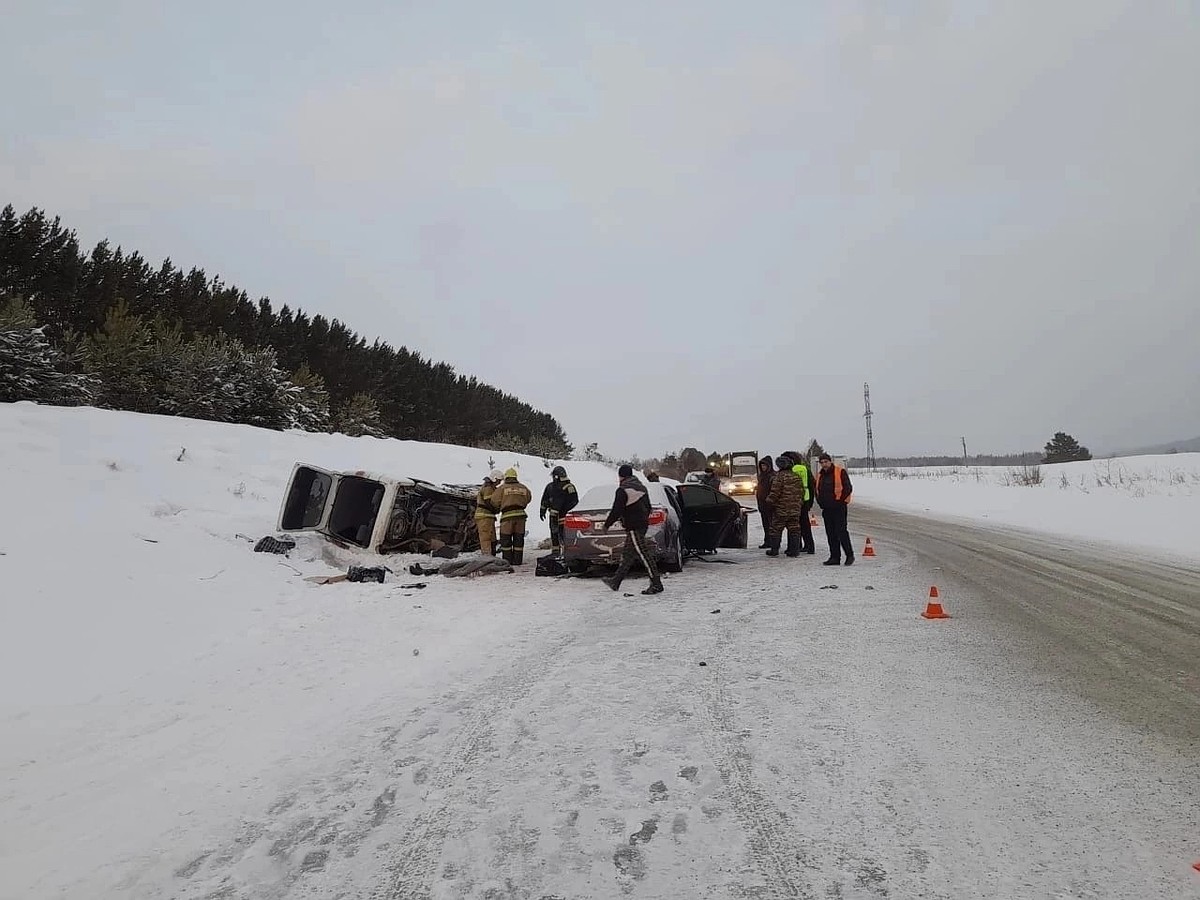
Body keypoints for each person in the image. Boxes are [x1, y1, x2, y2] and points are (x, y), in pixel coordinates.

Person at [601, 464, 664, 595]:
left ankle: (656, 584)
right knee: (628, 555)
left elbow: (616, 510)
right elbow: (648, 507)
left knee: (643, 554)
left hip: (634, 527)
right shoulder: (641, 487)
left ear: (621, 476)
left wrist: (607, 525)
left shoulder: (623, 490)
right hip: (641, 524)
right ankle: (616, 581)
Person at [815, 452, 854, 565]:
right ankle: (835, 557)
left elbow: (847, 488)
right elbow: (817, 491)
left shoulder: (840, 472)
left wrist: (840, 501)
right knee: (830, 533)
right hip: (826, 509)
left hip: (839, 508)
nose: (824, 464)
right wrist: (821, 503)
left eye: (826, 462)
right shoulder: (820, 475)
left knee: (841, 532)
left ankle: (849, 555)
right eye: (822, 462)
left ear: (830, 461)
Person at [764, 452, 804, 557]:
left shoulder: (779, 477)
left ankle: (774, 550)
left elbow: (774, 493)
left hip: (781, 509)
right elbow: (801, 492)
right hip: (795, 509)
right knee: (794, 529)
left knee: (776, 529)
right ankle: (794, 551)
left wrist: (768, 502)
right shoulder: (797, 477)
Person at [492, 467, 533, 565]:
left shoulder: (502, 488)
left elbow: (494, 501)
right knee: (519, 539)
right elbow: (528, 498)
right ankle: (518, 561)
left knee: (506, 540)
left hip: (507, 517)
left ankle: (507, 561)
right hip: (521, 517)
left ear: (506, 477)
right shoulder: (523, 487)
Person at [539, 465, 579, 555]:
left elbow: (574, 502)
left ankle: (560, 554)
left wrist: (543, 511)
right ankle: (559, 554)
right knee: (559, 536)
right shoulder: (569, 487)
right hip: (562, 517)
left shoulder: (561, 487)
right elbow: (545, 500)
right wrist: (542, 510)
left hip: (562, 517)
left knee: (559, 536)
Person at [789, 452, 817, 555]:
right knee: (805, 524)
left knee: (794, 524)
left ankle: (797, 546)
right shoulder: (805, 469)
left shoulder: (791, 470)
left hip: (794, 500)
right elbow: (811, 485)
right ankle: (809, 546)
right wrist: (810, 501)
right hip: (805, 498)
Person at [473, 469, 503, 555]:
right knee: (486, 538)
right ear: (494, 478)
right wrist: (496, 509)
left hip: (488, 516)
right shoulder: (488, 488)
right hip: (484, 516)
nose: (499, 483)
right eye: (498, 481)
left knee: (492, 538)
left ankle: (492, 556)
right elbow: (488, 502)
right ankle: (487, 557)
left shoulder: (491, 487)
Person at [755, 455, 776, 549]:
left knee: (772, 525)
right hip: (762, 504)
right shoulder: (761, 476)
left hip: (770, 504)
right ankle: (767, 541)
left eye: (765, 465)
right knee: (765, 524)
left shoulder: (772, 476)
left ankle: (773, 542)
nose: (763, 467)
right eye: (762, 465)